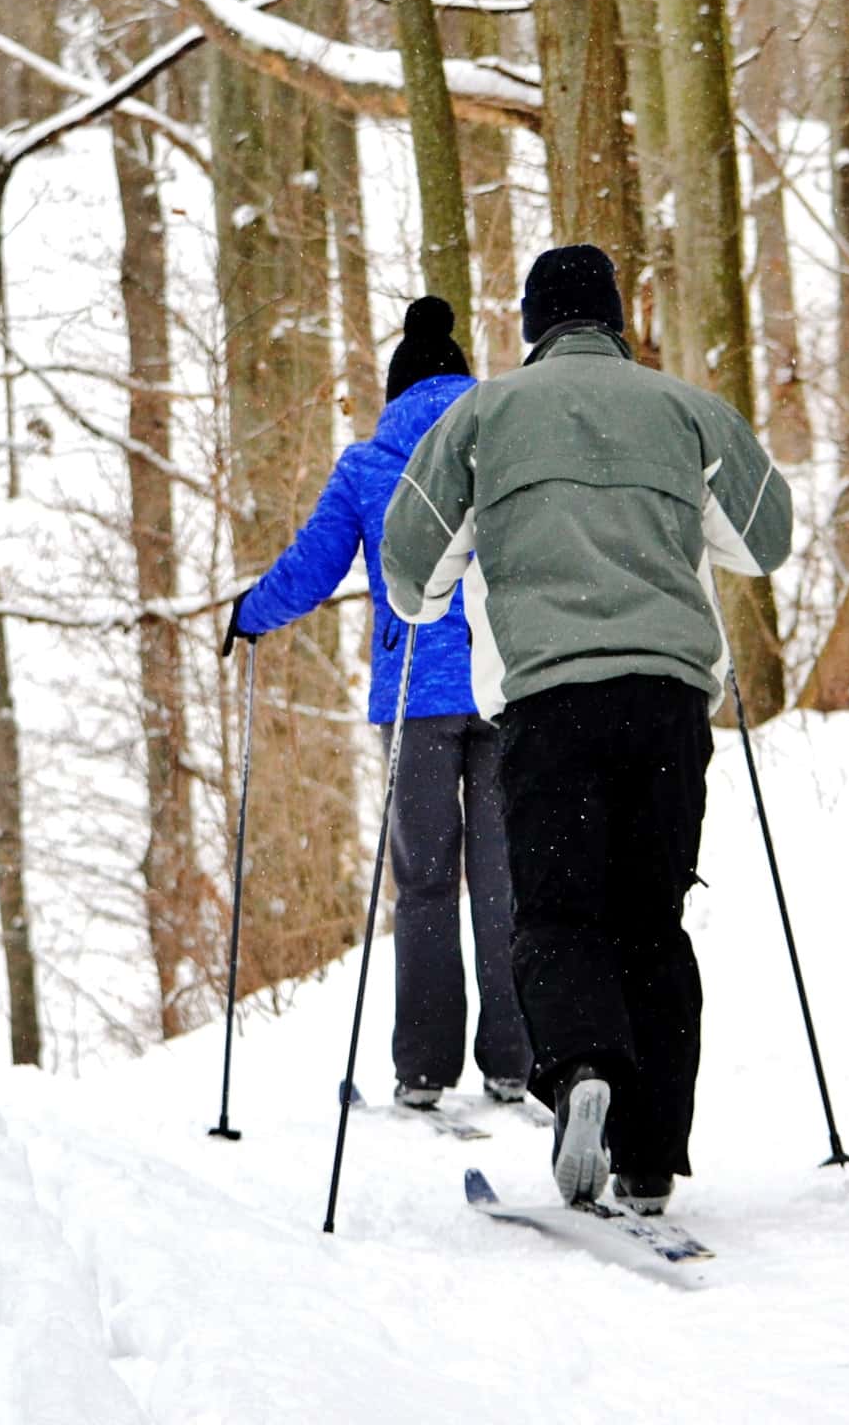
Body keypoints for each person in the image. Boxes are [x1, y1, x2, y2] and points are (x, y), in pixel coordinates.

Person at [381, 245, 793, 1216]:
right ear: (615, 320)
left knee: (559, 912)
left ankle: (577, 1075)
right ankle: (650, 1159)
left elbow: (409, 569)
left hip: (551, 703)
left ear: (531, 325)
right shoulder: (684, 409)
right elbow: (764, 538)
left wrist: (455, 579)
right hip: (666, 702)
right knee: (651, 920)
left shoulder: (479, 415)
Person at [221, 297, 529, 1110]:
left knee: (425, 885)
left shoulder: (368, 463)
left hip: (412, 700)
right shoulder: (503, 444)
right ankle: (515, 1060)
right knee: (506, 881)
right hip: (506, 686)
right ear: (464, 381)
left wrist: (250, 613)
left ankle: (424, 1071)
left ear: (396, 392)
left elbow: (312, 568)